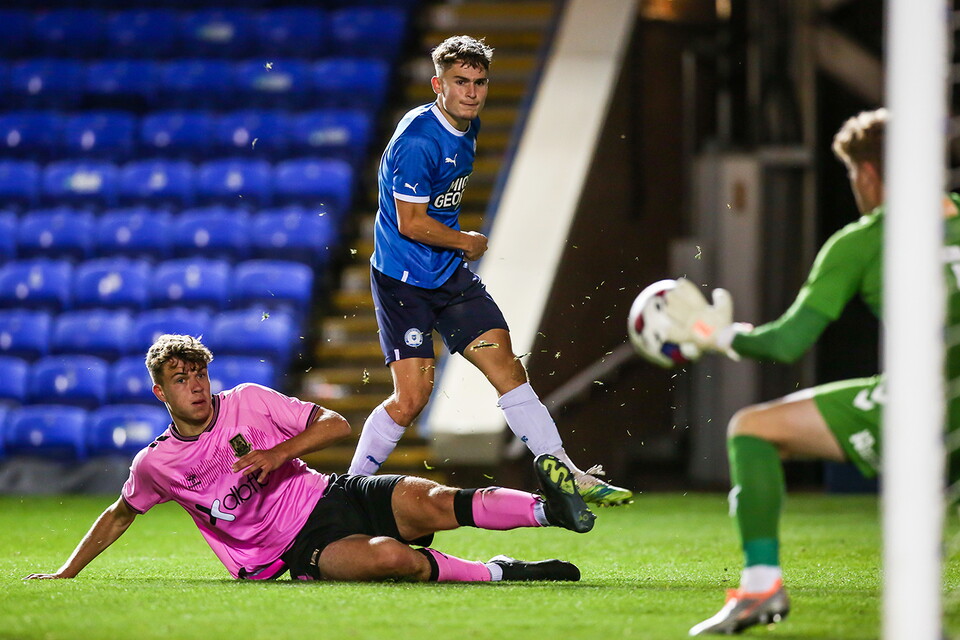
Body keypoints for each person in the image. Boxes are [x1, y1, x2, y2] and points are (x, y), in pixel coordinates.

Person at [663, 109, 960, 634]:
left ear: (867, 173)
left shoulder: (863, 241)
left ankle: (761, 588)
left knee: (752, 429)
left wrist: (720, 335)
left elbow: (786, 343)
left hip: (931, 404)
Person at [25, 334, 597, 583]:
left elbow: (335, 424)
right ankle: (499, 572)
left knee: (433, 499)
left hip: (328, 491)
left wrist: (278, 453)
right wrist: (67, 571)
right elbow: (120, 514)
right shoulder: (157, 465)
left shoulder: (249, 401)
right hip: (292, 549)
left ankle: (552, 510)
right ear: (161, 392)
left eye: (199, 374)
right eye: (181, 379)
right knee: (389, 558)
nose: (195, 386)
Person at [348, 33, 633, 506]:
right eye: (460, 81)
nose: (472, 92)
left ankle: (565, 472)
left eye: (479, 82)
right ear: (438, 85)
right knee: (411, 398)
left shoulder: (468, 125)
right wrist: (466, 241)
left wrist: (456, 247)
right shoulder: (419, 141)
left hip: (449, 278)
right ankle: (351, 488)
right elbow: (411, 222)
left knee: (508, 368)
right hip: (404, 283)